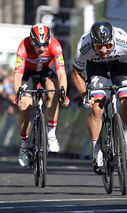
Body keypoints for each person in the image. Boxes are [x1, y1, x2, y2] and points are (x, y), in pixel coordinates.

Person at [71, 21, 127, 174]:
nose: (104, 50)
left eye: (107, 45)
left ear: (113, 39)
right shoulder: (84, 45)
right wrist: (84, 95)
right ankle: (96, 152)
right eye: (99, 46)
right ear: (93, 43)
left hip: (120, 64)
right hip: (96, 67)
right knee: (96, 108)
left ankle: (125, 133)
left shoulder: (123, 41)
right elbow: (75, 72)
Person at [14, 23, 69, 167]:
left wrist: (63, 93)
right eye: (38, 45)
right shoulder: (23, 46)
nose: (42, 48)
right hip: (28, 73)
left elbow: (61, 72)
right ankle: (24, 145)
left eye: (45, 45)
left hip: (45, 71)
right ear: (32, 41)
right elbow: (18, 74)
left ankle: (51, 133)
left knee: (54, 91)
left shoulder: (55, 45)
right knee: (26, 104)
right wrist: (17, 93)